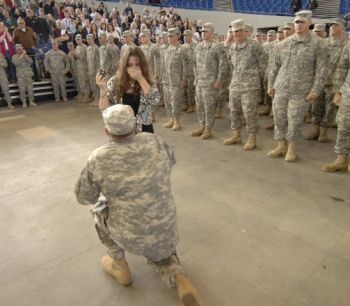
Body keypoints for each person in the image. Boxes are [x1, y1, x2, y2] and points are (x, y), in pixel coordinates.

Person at [75, 103, 204, 306]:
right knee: (161, 255)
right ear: (135, 126)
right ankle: (179, 278)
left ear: (106, 130)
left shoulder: (99, 157)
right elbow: (171, 161)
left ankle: (120, 266)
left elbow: (84, 197)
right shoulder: (155, 141)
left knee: (98, 208)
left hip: (130, 233)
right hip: (165, 227)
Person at [267, 10, 327, 162]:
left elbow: (322, 70)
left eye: (302, 22)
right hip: (281, 88)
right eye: (296, 22)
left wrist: (315, 90)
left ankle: (292, 149)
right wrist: (270, 85)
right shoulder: (284, 43)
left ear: (309, 23)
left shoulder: (318, 44)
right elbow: (274, 67)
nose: (299, 24)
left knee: (294, 121)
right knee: (279, 119)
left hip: (301, 91)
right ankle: (281, 145)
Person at [223, 19, 267, 151]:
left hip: (250, 86)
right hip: (235, 84)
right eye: (234, 32)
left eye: (239, 31)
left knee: (250, 112)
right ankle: (236, 135)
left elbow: (263, 64)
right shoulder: (232, 47)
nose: (237, 34)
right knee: (234, 111)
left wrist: (253, 77)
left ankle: (252, 138)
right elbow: (231, 65)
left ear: (244, 31)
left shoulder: (254, 45)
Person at [97, 46, 159, 134]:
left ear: (142, 65)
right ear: (124, 66)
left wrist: (140, 79)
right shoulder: (115, 82)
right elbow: (105, 110)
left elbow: (154, 100)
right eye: (130, 65)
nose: (134, 68)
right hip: (122, 131)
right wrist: (103, 91)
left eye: (137, 65)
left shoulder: (148, 81)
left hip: (144, 130)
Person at [307, 18, 348, 143]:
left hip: (335, 82)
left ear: (342, 28)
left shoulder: (346, 44)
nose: (332, 27)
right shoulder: (323, 43)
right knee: (316, 107)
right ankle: (315, 130)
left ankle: (323, 132)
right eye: (331, 25)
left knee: (330, 109)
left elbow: (345, 67)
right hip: (319, 81)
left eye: (336, 25)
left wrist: (341, 87)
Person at [322, 36, 350, 172]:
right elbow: (343, 67)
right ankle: (341, 159)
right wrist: (338, 91)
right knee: (344, 125)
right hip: (348, 92)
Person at [191, 22, 224, 139]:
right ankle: (202, 126)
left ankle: (208, 129)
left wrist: (219, 80)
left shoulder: (217, 46)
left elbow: (222, 65)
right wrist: (196, 77)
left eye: (205, 31)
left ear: (212, 33)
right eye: (202, 31)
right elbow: (194, 64)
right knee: (200, 106)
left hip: (210, 83)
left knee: (209, 106)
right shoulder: (198, 46)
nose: (203, 33)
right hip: (199, 82)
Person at [162, 27, 187, 131]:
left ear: (177, 36)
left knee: (175, 101)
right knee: (167, 101)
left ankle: (177, 121)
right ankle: (171, 119)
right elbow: (164, 65)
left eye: (171, 36)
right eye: (168, 36)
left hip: (176, 80)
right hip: (167, 80)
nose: (169, 38)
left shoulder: (181, 50)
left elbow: (185, 66)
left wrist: (183, 79)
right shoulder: (168, 49)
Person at [12, 43, 36, 108]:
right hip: (20, 76)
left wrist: (25, 56)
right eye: (17, 49)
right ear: (16, 50)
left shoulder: (26, 55)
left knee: (30, 89)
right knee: (22, 89)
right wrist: (22, 56)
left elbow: (31, 62)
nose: (19, 50)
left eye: (20, 49)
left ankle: (31, 101)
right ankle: (24, 102)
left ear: (22, 49)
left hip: (28, 74)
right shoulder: (14, 56)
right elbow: (16, 63)